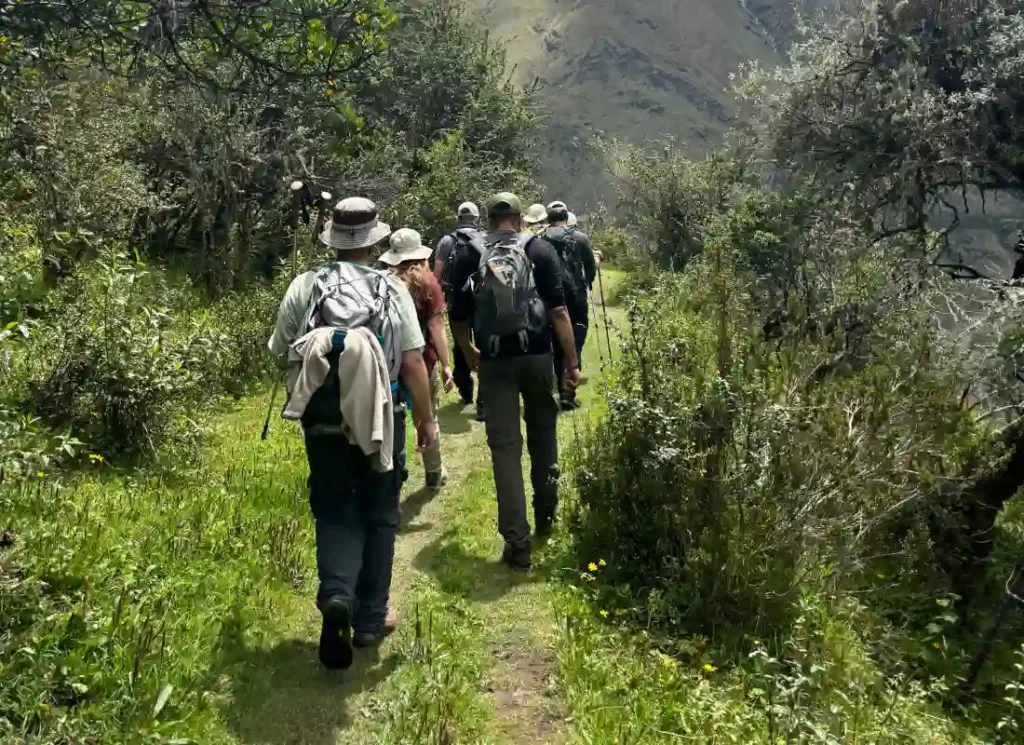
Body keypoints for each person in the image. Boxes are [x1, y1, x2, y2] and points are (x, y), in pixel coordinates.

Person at [268, 197, 437, 670]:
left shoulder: (306, 285)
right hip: (384, 418)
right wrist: (426, 421)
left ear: (333, 239)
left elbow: (281, 350)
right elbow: (410, 362)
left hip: (322, 420)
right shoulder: (392, 289)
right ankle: (369, 618)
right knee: (381, 512)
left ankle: (337, 595)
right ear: (374, 240)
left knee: (335, 507)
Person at [448, 192, 581, 571]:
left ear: (489, 220)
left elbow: (457, 314)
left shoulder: (471, 253)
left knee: (505, 449)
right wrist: (571, 362)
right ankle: (547, 515)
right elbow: (558, 311)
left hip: (494, 362)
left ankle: (518, 544)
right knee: (543, 435)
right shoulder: (539, 250)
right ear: (520, 220)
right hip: (538, 357)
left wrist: (468, 349)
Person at [382, 227, 454, 490]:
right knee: (427, 417)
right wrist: (447, 365)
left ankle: (390, 483)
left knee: (391, 424)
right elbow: (436, 328)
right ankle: (434, 473)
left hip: (389, 367)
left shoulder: (383, 283)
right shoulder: (428, 283)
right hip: (422, 363)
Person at [543, 201, 597, 410]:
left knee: (557, 344)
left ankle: (560, 385)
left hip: (551, 300)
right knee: (576, 342)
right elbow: (590, 270)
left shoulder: (541, 240)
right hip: (576, 300)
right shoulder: (580, 239)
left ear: (548, 219)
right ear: (567, 218)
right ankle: (568, 392)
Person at [434, 202, 483, 419]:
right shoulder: (486, 238)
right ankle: (485, 396)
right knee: (484, 344)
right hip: (484, 300)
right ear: (477, 218)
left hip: (458, 300)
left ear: (458, 217)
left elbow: (437, 273)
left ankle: (465, 391)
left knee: (462, 343)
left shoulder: (447, 241)